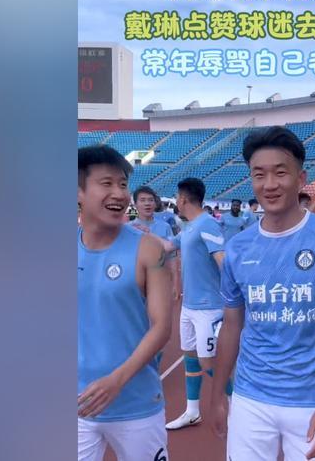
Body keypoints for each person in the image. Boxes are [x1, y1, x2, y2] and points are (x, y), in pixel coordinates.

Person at [211, 127, 315, 461]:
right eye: (259, 175)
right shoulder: (237, 248)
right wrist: (218, 392)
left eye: (280, 173)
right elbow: (232, 325)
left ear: (301, 178)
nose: (269, 184)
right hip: (250, 399)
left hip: (311, 401)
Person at [76, 146, 172, 461]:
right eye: (106, 183)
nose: (119, 193)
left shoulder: (148, 249)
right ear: (78, 191)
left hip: (137, 406)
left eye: (122, 184)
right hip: (79, 406)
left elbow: (162, 327)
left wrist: (116, 381)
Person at [162, 178, 230, 430]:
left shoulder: (207, 223)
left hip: (208, 308)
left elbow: (222, 260)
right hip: (189, 306)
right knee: (190, 358)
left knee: (207, 362)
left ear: (182, 199)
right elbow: (167, 246)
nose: (176, 202)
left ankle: (239, 402)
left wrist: (235, 299)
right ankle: (192, 412)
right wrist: (137, 235)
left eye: (176, 198)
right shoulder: (189, 228)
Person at [130, 186, 180, 300]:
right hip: (134, 282)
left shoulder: (165, 227)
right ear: (135, 204)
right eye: (142, 200)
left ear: (155, 203)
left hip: (160, 281)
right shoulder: (129, 228)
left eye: (150, 200)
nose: (147, 203)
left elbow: (172, 256)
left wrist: (176, 282)